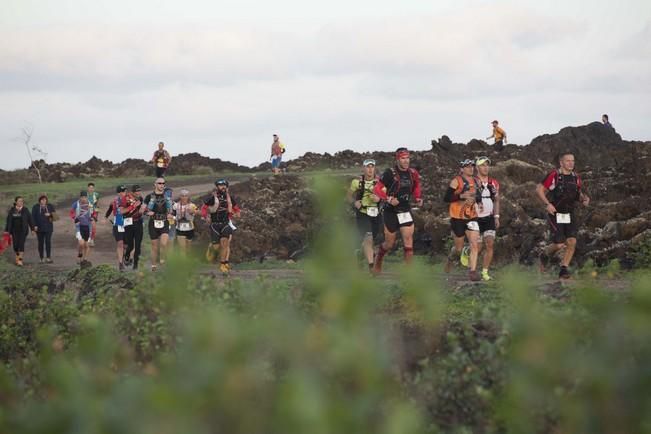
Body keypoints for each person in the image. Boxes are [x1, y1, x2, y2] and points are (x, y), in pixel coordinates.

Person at [536, 152, 590, 279]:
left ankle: (563, 269)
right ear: (561, 162)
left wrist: (584, 199)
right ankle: (544, 254)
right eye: (568, 161)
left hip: (569, 213)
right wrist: (548, 204)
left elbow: (578, 193)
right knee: (559, 244)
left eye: (573, 160)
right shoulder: (555, 175)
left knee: (572, 241)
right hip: (555, 213)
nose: (571, 163)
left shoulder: (575, 177)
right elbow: (539, 189)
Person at [372, 147, 423, 274]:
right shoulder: (390, 173)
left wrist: (417, 197)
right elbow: (377, 189)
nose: (406, 161)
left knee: (408, 238)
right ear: (397, 159)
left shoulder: (413, 173)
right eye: (403, 158)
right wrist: (388, 199)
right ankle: (379, 258)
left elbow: (416, 185)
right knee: (389, 243)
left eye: (407, 158)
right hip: (390, 211)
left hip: (405, 209)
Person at [444, 159, 483, 281]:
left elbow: (478, 195)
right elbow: (446, 198)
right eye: (467, 167)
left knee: (474, 244)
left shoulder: (477, 181)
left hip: (472, 217)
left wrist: (480, 203)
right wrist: (460, 196)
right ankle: (451, 258)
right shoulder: (456, 181)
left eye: (472, 166)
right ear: (462, 169)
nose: (471, 169)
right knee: (458, 248)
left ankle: (472, 271)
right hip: (457, 217)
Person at [347, 159, 381, 272]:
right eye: (368, 167)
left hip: (376, 214)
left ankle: (359, 254)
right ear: (363, 168)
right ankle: (372, 266)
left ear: (375, 168)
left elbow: (386, 197)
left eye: (372, 167)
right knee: (368, 238)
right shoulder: (357, 182)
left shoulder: (380, 182)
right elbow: (349, 196)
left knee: (370, 241)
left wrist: (379, 198)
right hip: (362, 213)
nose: (370, 169)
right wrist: (354, 202)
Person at [202, 179, 241, 274]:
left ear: (227, 187)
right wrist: (205, 216)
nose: (223, 187)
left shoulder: (230, 198)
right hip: (215, 225)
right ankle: (212, 247)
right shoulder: (212, 198)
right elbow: (204, 207)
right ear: (217, 187)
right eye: (220, 185)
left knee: (225, 243)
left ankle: (223, 264)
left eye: (224, 185)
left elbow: (237, 209)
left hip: (225, 224)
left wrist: (237, 214)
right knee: (216, 247)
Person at [474, 157, 500, 281]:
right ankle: (471, 268)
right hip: (475, 218)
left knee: (490, 244)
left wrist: (496, 216)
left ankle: (485, 272)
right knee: (477, 248)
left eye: (487, 165)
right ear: (477, 168)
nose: (485, 168)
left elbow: (497, 200)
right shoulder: (472, 181)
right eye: (482, 165)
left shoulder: (494, 182)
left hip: (489, 217)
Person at [144, 178, 174, 271]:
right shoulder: (149, 196)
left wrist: (170, 214)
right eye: (159, 183)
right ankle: (153, 265)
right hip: (153, 222)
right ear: (155, 184)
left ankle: (163, 260)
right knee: (154, 246)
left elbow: (171, 210)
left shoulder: (167, 197)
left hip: (164, 221)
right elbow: (143, 209)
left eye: (163, 183)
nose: (162, 185)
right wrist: (146, 213)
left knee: (164, 243)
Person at [4, 196, 35, 266]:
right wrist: (6, 230)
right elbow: (8, 221)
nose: (21, 202)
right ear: (16, 202)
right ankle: (17, 256)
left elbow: (30, 219)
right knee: (15, 246)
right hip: (14, 231)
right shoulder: (12, 210)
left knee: (21, 244)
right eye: (19, 201)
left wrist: (32, 229)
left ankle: (20, 260)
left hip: (23, 230)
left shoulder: (25, 210)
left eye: (22, 201)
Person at [109, 185, 131, 271]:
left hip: (128, 223)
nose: (123, 193)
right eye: (122, 192)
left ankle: (125, 257)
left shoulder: (129, 200)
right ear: (118, 193)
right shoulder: (115, 201)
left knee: (127, 245)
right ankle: (120, 263)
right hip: (118, 223)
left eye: (125, 191)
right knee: (120, 243)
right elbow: (117, 212)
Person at [123, 185, 145, 270]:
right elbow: (123, 212)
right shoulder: (126, 199)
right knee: (130, 245)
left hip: (138, 222)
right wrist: (134, 206)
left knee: (138, 245)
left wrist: (144, 211)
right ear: (132, 192)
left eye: (139, 191)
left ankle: (135, 265)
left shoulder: (141, 198)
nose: (139, 193)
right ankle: (127, 254)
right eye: (137, 191)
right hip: (128, 223)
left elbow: (142, 211)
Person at [32, 194, 56, 263]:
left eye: (45, 200)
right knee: (40, 243)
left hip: (48, 228)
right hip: (39, 228)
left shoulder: (50, 206)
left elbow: (55, 217)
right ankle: (41, 258)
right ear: (39, 201)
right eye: (42, 200)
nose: (44, 201)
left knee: (48, 242)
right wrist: (34, 226)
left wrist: (50, 214)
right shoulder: (35, 207)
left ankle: (48, 257)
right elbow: (33, 217)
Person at [173, 189, 198, 256]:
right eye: (182, 196)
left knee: (188, 248)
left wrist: (193, 212)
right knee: (182, 248)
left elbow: (198, 212)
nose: (184, 197)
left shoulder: (192, 205)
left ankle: (188, 259)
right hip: (180, 228)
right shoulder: (176, 205)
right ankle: (183, 263)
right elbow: (172, 214)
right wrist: (174, 218)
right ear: (180, 196)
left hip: (190, 228)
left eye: (186, 196)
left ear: (188, 197)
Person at [70, 192, 92, 266]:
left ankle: (85, 260)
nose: (83, 199)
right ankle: (80, 254)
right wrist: (74, 218)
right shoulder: (76, 204)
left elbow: (94, 212)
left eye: (85, 197)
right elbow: (71, 212)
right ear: (80, 197)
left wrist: (93, 216)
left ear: (87, 197)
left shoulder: (90, 203)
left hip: (88, 227)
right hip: (79, 227)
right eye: (82, 197)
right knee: (81, 243)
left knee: (86, 245)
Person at [87, 182, 100, 246]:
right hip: (86, 213)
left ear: (94, 188)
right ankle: (87, 239)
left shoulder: (96, 195)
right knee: (87, 226)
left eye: (92, 188)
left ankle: (92, 240)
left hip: (93, 213)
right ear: (88, 188)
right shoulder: (85, 195)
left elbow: (97, 204)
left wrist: (96, 214)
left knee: (93, 227)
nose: (91, 189)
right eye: (90, 188)